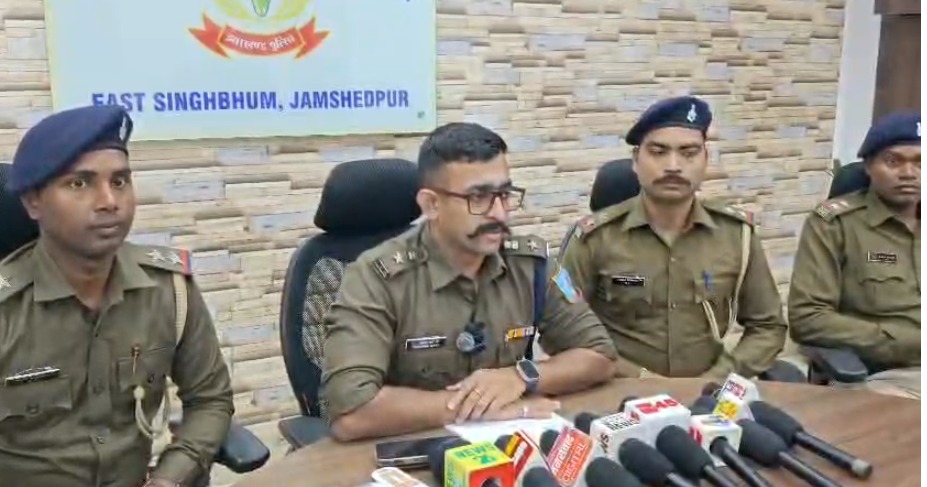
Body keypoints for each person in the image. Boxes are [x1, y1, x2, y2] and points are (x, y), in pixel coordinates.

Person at [321, 122, 618, 441]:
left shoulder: (529, 264)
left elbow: (599, 355)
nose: (499, 214)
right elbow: (350, 412)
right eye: (478, 198)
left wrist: (521, 376)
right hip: (411, 446)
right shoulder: (375, 277)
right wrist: (479, 408)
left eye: (504, 195)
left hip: (508, 443)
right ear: (431, 204)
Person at [0, 105, 234, 487]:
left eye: (120, 181)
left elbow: (210, 399)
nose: (109, 201)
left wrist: (170, 477)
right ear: (33, 202)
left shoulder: (170, 288)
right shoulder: (7, 309)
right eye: (80, 183)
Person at [560, 96, 787, 380]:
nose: (673, 166)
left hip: (709, 391)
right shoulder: (593, 239)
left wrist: (719, 376)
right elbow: (563, 330)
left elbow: (768, 327)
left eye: (688, 153)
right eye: (658, 152)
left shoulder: (736, 235)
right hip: (618, 389)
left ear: (706, 161)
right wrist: (635, 377)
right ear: (636, 161)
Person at [788, 110, 921, 399]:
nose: (909, 173)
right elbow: (808, 318)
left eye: (920, 162)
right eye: (893, 161)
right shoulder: (834, 224)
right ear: (869, 166)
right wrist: (908, 341)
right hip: (888, 375)